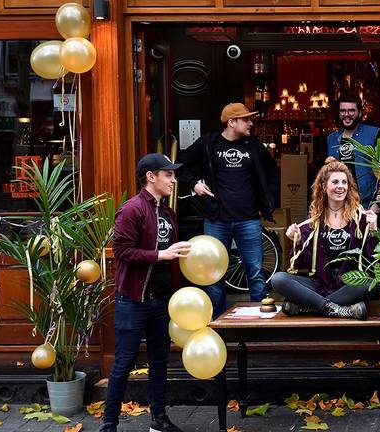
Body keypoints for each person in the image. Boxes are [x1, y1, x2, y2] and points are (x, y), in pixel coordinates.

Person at [100, 153, 191, 432]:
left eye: (173, 175)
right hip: (133, 300)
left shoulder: (167, 211)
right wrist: (160, 254)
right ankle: (109, 424)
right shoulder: (132, 209)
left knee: (160, 362)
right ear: (151, 177)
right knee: (124, 362)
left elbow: (169, 253)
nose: (173, 180)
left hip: (161, 300)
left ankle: (159, 420)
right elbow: (122, 251)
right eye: (168, 174)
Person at [178, 102, 279, 314]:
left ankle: (259, 322)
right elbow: (181, 165)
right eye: (246, 119)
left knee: (256, 272)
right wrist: (194, 183)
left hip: (248, 219)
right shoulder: (208, 143)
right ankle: (218, 322)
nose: (251, 123)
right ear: (231, 122)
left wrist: (266, 203)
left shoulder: (253, 146)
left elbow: (272, 173)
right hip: (217, 220)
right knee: (214, 274)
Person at [271, 157, 378, 320]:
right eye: (335, 182)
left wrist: (373, 232)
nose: (340, 187)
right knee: (278, 279)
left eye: (344, 182)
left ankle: (309, 308)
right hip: (319, 284)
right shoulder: (313, 220)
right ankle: (339, 309)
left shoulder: (360, 218)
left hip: (349, 285)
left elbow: (371, 262)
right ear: (324, 186)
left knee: (371, 283)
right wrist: (298, 241)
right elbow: (301, 264)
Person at [327, 95, 380, 209]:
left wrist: (377, 204)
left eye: (351, 110)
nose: (346, 114)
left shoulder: (373, 134)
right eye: (343, 111)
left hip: (368, 205)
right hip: (340, 206)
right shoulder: (331, 139)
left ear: (360, 113)